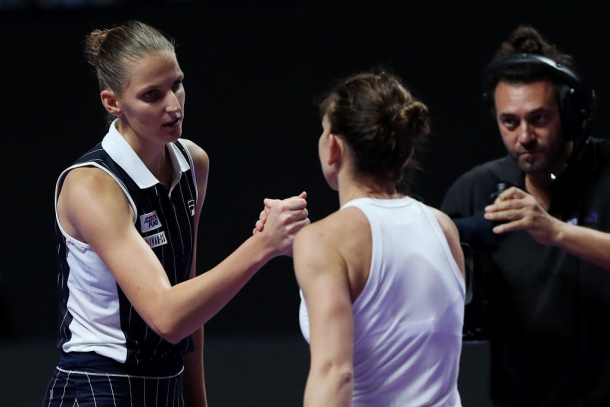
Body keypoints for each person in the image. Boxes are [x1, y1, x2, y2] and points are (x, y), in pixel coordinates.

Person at [42, 21, 309, 407]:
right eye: (151, 95)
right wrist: (263, 246)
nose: (173, 105)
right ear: (112, 103)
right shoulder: (92, 186)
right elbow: (167, 316)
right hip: (97, 386)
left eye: (177, 85)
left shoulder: (193, 162)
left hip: (168, 386)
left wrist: (197, 402)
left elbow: (189, 297)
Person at [441, 26, 610, 406]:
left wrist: (554, 231)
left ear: (569, 114)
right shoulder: (475, 187)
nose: (525, 136)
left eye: (539, 119)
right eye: (510, 122)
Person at [289, 72, 465, 406]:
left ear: (334, 148)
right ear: (406, 154)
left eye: (325, 129)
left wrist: (314, 249)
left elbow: (335, 373)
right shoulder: (444, 228)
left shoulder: (323, 241)